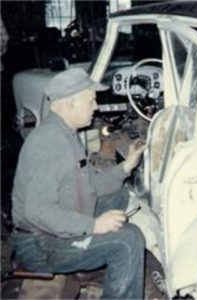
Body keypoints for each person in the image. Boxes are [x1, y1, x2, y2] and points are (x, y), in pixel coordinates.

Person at [11, 68, 146, 299]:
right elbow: (37, 210)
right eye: (91, 100)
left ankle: (97, 256)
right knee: (129, 240)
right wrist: (94, 226)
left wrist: (126, 167)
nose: (96, 107)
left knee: (119, 196)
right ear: (70, 103)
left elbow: (89, 183)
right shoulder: (50, 142)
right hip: (41, 244)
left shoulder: (64, 133)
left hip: (51, 230)